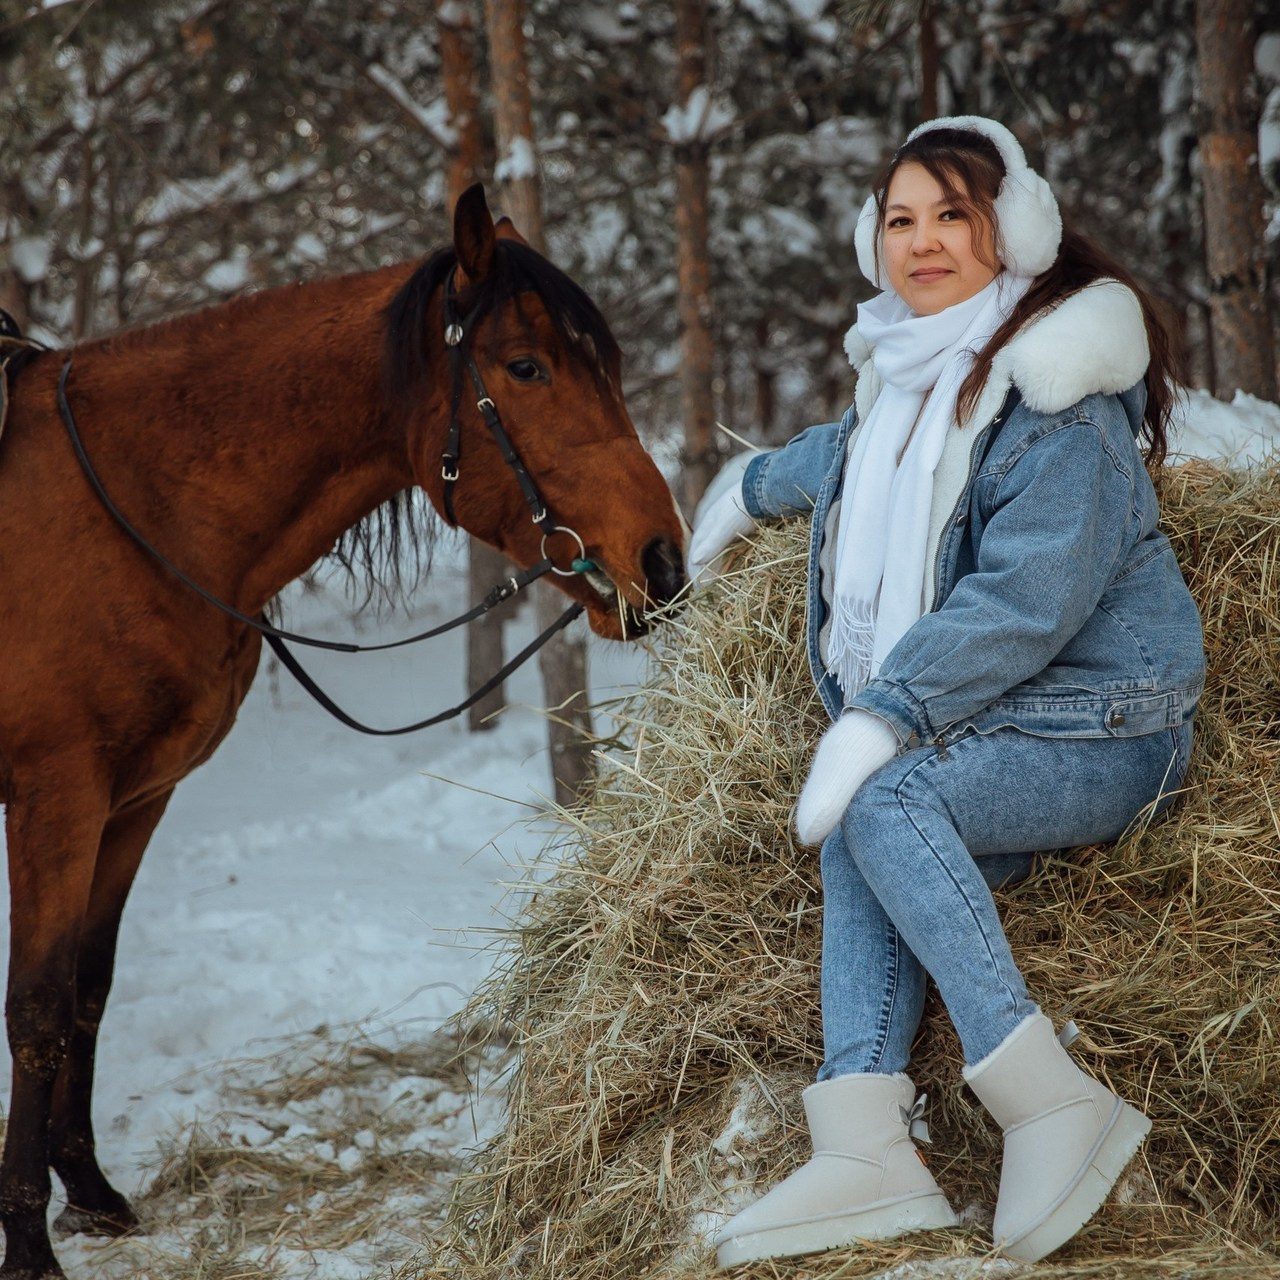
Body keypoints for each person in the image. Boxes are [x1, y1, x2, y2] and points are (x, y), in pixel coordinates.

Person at [688, 116, 1205, 1270]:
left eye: (951, 215)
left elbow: (1021, 603)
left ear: (1010, 231)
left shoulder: (1058, 404)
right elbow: (842, 453)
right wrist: (750, 485)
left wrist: (884, 712)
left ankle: (1050, 1100)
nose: (921, 241)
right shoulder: (911, 381)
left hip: (1107, 721)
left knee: (884, 798)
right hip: (1002, 716)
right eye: (899, 218)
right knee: (857, 819)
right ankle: (865, 1140)